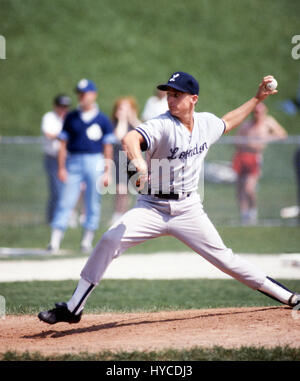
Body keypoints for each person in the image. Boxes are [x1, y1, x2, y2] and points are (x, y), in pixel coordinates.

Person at [38, 71, 299, 325]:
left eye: (177, 94)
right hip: (152, 207)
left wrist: (256, 99)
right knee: (109, 240)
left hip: (188, 209)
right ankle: (74, 308)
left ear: (193, 98)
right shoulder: (162, 124)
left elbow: (228, 121)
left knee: (226, 259)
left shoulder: (206, 124)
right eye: (168, 94)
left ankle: (288, 296)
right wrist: (138, 160)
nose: (170, 99)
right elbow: (131, 138)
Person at [47, 79, 115, 253]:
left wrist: (107, 171)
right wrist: (62, 167)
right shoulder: (71, 117)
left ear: (93, 94)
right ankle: (54, 241)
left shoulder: (102, 119)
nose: (82, 97)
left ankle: (87, 240)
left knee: (93, 201)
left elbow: (107, 147)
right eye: (80, 93)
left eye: (85, 93)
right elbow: (62, 144)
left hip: (95, 160)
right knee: (66, 200)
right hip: (74, 161)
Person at [232, 103, 287, 225]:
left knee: (249, 188)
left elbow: (282, 135)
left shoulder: (268, 122)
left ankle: (253, 212)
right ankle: (244, 215)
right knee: (240, 188)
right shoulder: (247, 124)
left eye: (259, 112)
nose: (257, 114)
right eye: (255, 111)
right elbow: (236, 140)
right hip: (242, 156)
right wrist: (248, 144)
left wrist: (265, 140)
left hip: (255, 157)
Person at [110, 96, 142, 225]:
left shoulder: (134, 124)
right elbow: (119, 136)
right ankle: (117, 213)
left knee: (130, 190)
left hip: (133, 160)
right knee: (121, 189)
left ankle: (125, 214)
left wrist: (132, 118)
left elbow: (144, 131)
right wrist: (122, 120)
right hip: (119, 160)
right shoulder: (115, 124)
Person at [41, 94, 72, 224]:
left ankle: (66, 218)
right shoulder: (49, 117)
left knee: (68, 189)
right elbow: (48, 133)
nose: (63, 109)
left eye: (65, 106)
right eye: (61, 106)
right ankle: (52, 218)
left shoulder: (70, 118)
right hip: (53, 158)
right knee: (56, 190)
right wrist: (62, 136)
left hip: (68, 158)